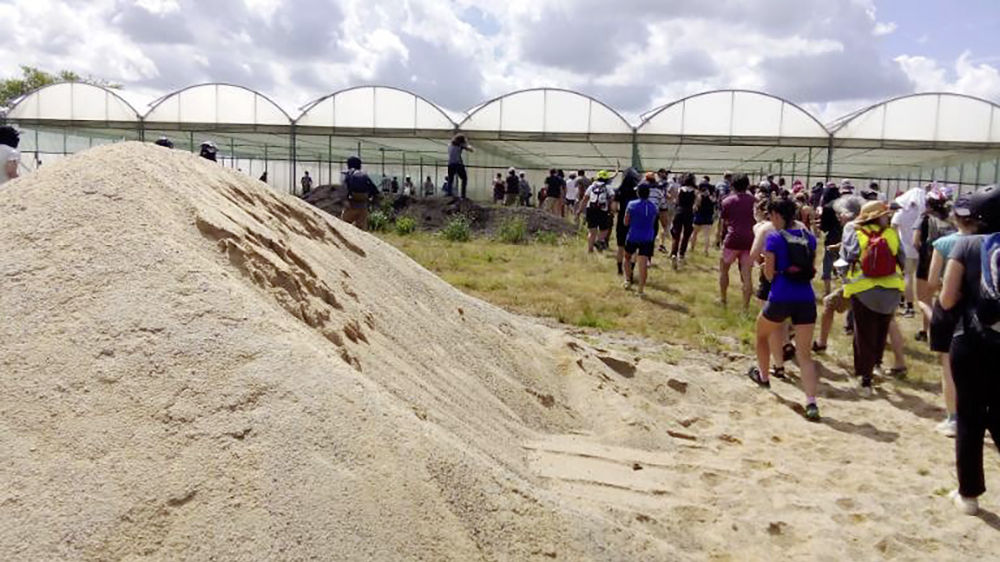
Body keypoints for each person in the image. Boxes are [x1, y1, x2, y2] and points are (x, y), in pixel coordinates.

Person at [938, 185, 1000, 516]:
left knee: (970, 417)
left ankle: (970, 495)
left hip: (972, 341)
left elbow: (947, 298)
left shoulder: (967, 245)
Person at [746, 198, 821, 420]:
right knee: (805, 355)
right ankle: (811, 402)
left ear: (777, 216)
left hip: (781, 296)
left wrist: (771, 268)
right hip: (806, 298)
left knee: (762, 334)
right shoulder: (809, 238)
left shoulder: (775, 238)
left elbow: (769, 275)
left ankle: (764, 376)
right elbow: (811, 268)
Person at [841, 201, 906, 396]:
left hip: (864, 290)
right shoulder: (891, 234)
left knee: (863, 334)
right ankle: (876, 364)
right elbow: (901, 259)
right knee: (880, 331)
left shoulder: (857, 233)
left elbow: (848, 257)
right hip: (891, 290)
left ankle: (865, 379)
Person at [914, 191, 956, 341]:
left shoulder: (924, 218)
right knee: (943, 298)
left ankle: (934, 330)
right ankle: (926, 331)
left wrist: (924, 254)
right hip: (947, 263)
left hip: (927, 262)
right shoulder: (950, 220)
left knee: (924, 300)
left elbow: (916, 241)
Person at [719, 174, 756, 308]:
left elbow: (725, 221)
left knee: (724, 269)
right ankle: (745, 307)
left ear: (732, 185)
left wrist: (719, 238)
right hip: (750, 239)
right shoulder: (754, 200)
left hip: (733, 238)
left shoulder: (727, 201)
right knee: (747, 274)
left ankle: (723, 299)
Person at [893, 186, 927, 318]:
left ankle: (909, 306)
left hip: (905, 249)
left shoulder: (901, 212)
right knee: (920, 279)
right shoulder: (923, 214)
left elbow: (893, 228)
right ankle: (922, 304)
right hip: (921, 250)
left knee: (906, 277)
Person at [622, 183, 659, 295]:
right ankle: (641, 289)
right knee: (643, 263)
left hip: (633, 235)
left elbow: (626, 221)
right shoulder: (653, 206)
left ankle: (628, 280)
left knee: (627, 257)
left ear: (638, 193)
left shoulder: (631, 204)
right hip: (647, 237)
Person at [614, 169, 644, 276]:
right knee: (634, 248)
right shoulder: (637, 191)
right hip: (634, 221)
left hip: (622, 219)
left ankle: (619, 269)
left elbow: (614, 207)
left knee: (620, 246)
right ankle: (630, 269)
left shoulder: (619, 190)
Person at [579, 170, 614, 253]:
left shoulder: (592, 186)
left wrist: (579, 210)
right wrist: (611, 208)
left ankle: (590, 250)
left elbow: (585, 199)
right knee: (604, 229)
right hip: (602, 211)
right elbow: (612, 197)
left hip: (591, 210)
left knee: (592, 232)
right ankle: (599, 241)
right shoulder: (608, 187)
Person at [340, 156, 379, 230]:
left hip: (351, 204)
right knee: (361, 230)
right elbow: (375, 190)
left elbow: (344, 189)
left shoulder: (349, 174)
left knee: (343, 226)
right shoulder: (364, 175)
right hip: (363, 205)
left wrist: (345, 200)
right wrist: (370, 199)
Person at [818, 183, 843, 296]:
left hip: (831, 238)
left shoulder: (827, 207)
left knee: (827, 263)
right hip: (844, 236)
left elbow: (824, 227)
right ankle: (845, 288)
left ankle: (827, 290)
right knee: (843, 262)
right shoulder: (844, 205)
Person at [670, 173, 697, 264]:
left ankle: (674, 253)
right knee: (686, 235)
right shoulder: (695, 191)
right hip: (689, 213)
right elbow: (696, 205)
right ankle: (681, 254)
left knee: (676, 234)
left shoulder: (680, 189)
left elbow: (676, 201)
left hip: (679, 212)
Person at [690, 175, 716, 255]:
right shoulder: (711, 192)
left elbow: (696, 205)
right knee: (706, 234)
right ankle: (705, 251)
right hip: (707, 215)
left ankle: (692, 248)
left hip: (700, 214)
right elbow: (714, 201)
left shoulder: (699, 193)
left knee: (695, 232)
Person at [447, 134, 474, 198]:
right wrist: (467, 145)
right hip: (458, 164)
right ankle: (463, 195)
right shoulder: (460, 145)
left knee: (450, 179)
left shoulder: (449, 145)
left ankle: (449, 193)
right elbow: (471, 150)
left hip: (450, 164)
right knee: (464, 178)